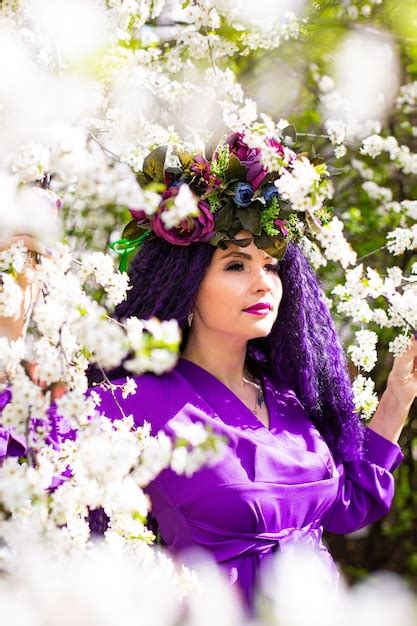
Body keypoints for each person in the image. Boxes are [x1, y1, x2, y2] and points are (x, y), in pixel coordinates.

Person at [1, 133, 416, 616]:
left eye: (272, 266)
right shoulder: (134, 403)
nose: (263, 281)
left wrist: (397, 400)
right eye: (236, 264)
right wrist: (11, 327)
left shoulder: (286, 398)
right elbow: (30, 469)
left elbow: (342, 508)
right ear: (187, 284)